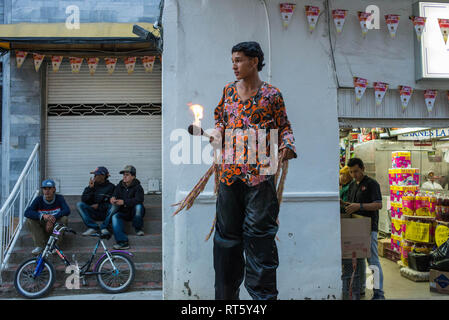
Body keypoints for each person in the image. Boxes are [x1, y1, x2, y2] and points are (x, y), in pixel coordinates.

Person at [210, 41, 297, 300]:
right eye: (233, 60)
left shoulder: (272, 95)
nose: (234, 65)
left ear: (254, 61)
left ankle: (262, 300)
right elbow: (220, 121)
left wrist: (288, 145)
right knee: (226, 242)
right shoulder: (228, 91)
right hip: (228, 176)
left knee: (260, 240)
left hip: (260, 177)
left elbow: (284, 127)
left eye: (239, 60)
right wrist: (216, 133)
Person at [344, 158, 385, 300]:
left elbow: (378, 205)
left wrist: (359, 206)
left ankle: (379, 293)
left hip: (369, 228)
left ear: (362, 169)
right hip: (356, 227)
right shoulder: (352, 185)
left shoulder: (372, 184)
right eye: (351, 172)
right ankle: (360, 288)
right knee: (358, 260)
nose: (354, 174)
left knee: (372, 261)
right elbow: (352, 204)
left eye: (356, 171)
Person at [24, 179, 71, 255]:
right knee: (30, 220)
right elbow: (27, 212)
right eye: (45, 188)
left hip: (55, 230)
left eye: (49, 188)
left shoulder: (59, 198)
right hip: (42, 229)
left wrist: (52, 218)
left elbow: (67, 210)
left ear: (54, 189)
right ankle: (40, 246)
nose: (47, 191)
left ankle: (54, 245)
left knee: (64, 219)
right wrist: (42, 216)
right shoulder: (38, 200)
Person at [109, 165, 145, 250]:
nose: (124, 176)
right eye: (123, 174)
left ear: (133, 176)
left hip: (133, 212)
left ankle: (138, 228)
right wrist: (112, 198)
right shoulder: (119, 186)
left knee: (139, 207)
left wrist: (124, 202)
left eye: (127, 175)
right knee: (115, 216)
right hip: (124, 212)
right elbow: (114, 194)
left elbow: (139, 200)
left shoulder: (138, 187)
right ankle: (122, 242)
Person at [77, 166, 115, 236]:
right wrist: (90, 188)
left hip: (105, 214)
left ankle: (104, 227)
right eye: (94, 175)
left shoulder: (111, 187)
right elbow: (84, 200)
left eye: (96, 175)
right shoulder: (91, 186)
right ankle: (93, 227)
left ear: (103, 176)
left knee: (114, 206)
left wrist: (99, 206)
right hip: (93, 212)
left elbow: (112, 203)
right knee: (79, 205)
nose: (94, 177)